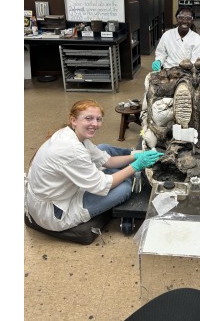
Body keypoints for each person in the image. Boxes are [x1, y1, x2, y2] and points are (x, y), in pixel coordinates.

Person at [25, 99, 163, 232]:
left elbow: (108, 161)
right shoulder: (72, 150)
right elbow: (102, 185)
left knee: (103, 148)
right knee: (125, 188)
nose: (95, 124)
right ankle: (128, 174)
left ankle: (131, 161)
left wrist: (134, 156)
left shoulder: (70, 134)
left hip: (59, 191)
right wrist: (136, 166)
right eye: (88, 118)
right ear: (73, 120)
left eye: (98, 119)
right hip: (53, 213)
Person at [151, 6, 200, 71]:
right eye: (181, 17)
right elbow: (161, 53)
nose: (184, 21)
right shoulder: (167, 35)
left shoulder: (197, 40)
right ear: (176, 18)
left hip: (187, 73)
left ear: (192, 20)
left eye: (188, 18)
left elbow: (196, 63)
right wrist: (158, 61)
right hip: (168, 70)